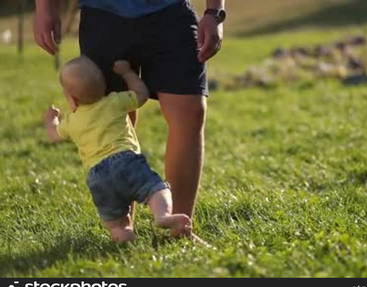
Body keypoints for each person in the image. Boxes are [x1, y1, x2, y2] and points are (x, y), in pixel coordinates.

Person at [34, 0, 226, 228]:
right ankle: (124, 229)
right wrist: (46, 9)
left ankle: (179, 227)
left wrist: (214, 12)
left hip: (170, 13)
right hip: (103, 14)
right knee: (110, 113)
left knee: (190, 112)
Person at [44, 56, 192, 243]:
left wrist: (51, 119)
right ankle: (162, 216)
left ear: (72, 99)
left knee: (116, 222)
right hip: (127, 161)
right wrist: (128, 73)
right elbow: (141, 94)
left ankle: (124, 236)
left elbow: (53, 135)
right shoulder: (114, 102)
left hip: (98, 177)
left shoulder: (72, 122)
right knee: (156, 190)